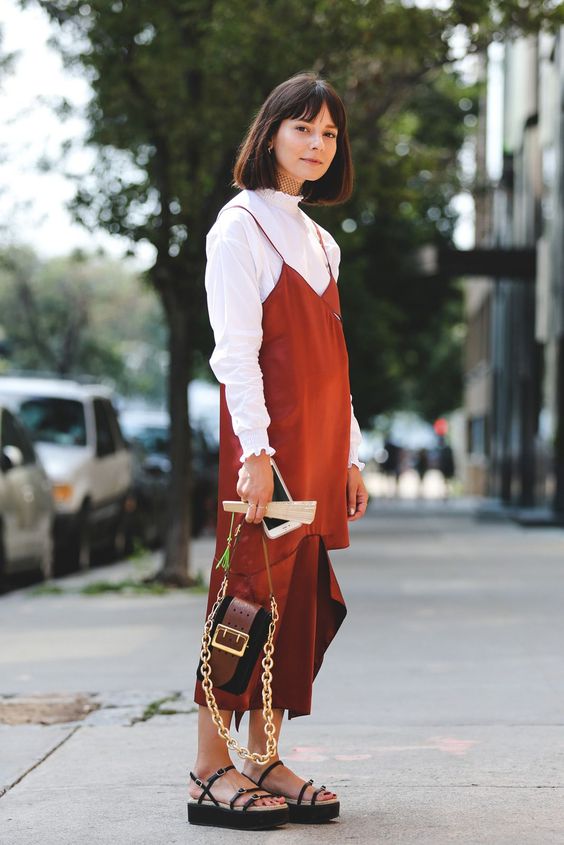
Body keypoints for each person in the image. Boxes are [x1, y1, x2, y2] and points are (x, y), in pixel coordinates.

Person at [190, 71, 369, 830]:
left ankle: (263, 757)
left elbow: (335, 363)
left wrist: (352, 453)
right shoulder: (240, 227)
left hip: (319, 450)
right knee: (245, 599)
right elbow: (235, 354)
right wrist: (256, 452)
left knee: (294, 606)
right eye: (303, 128)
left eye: (329, 132)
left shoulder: (322, 241)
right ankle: (209, 768)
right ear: (270, 134)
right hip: (269, 448)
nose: (317, 144)